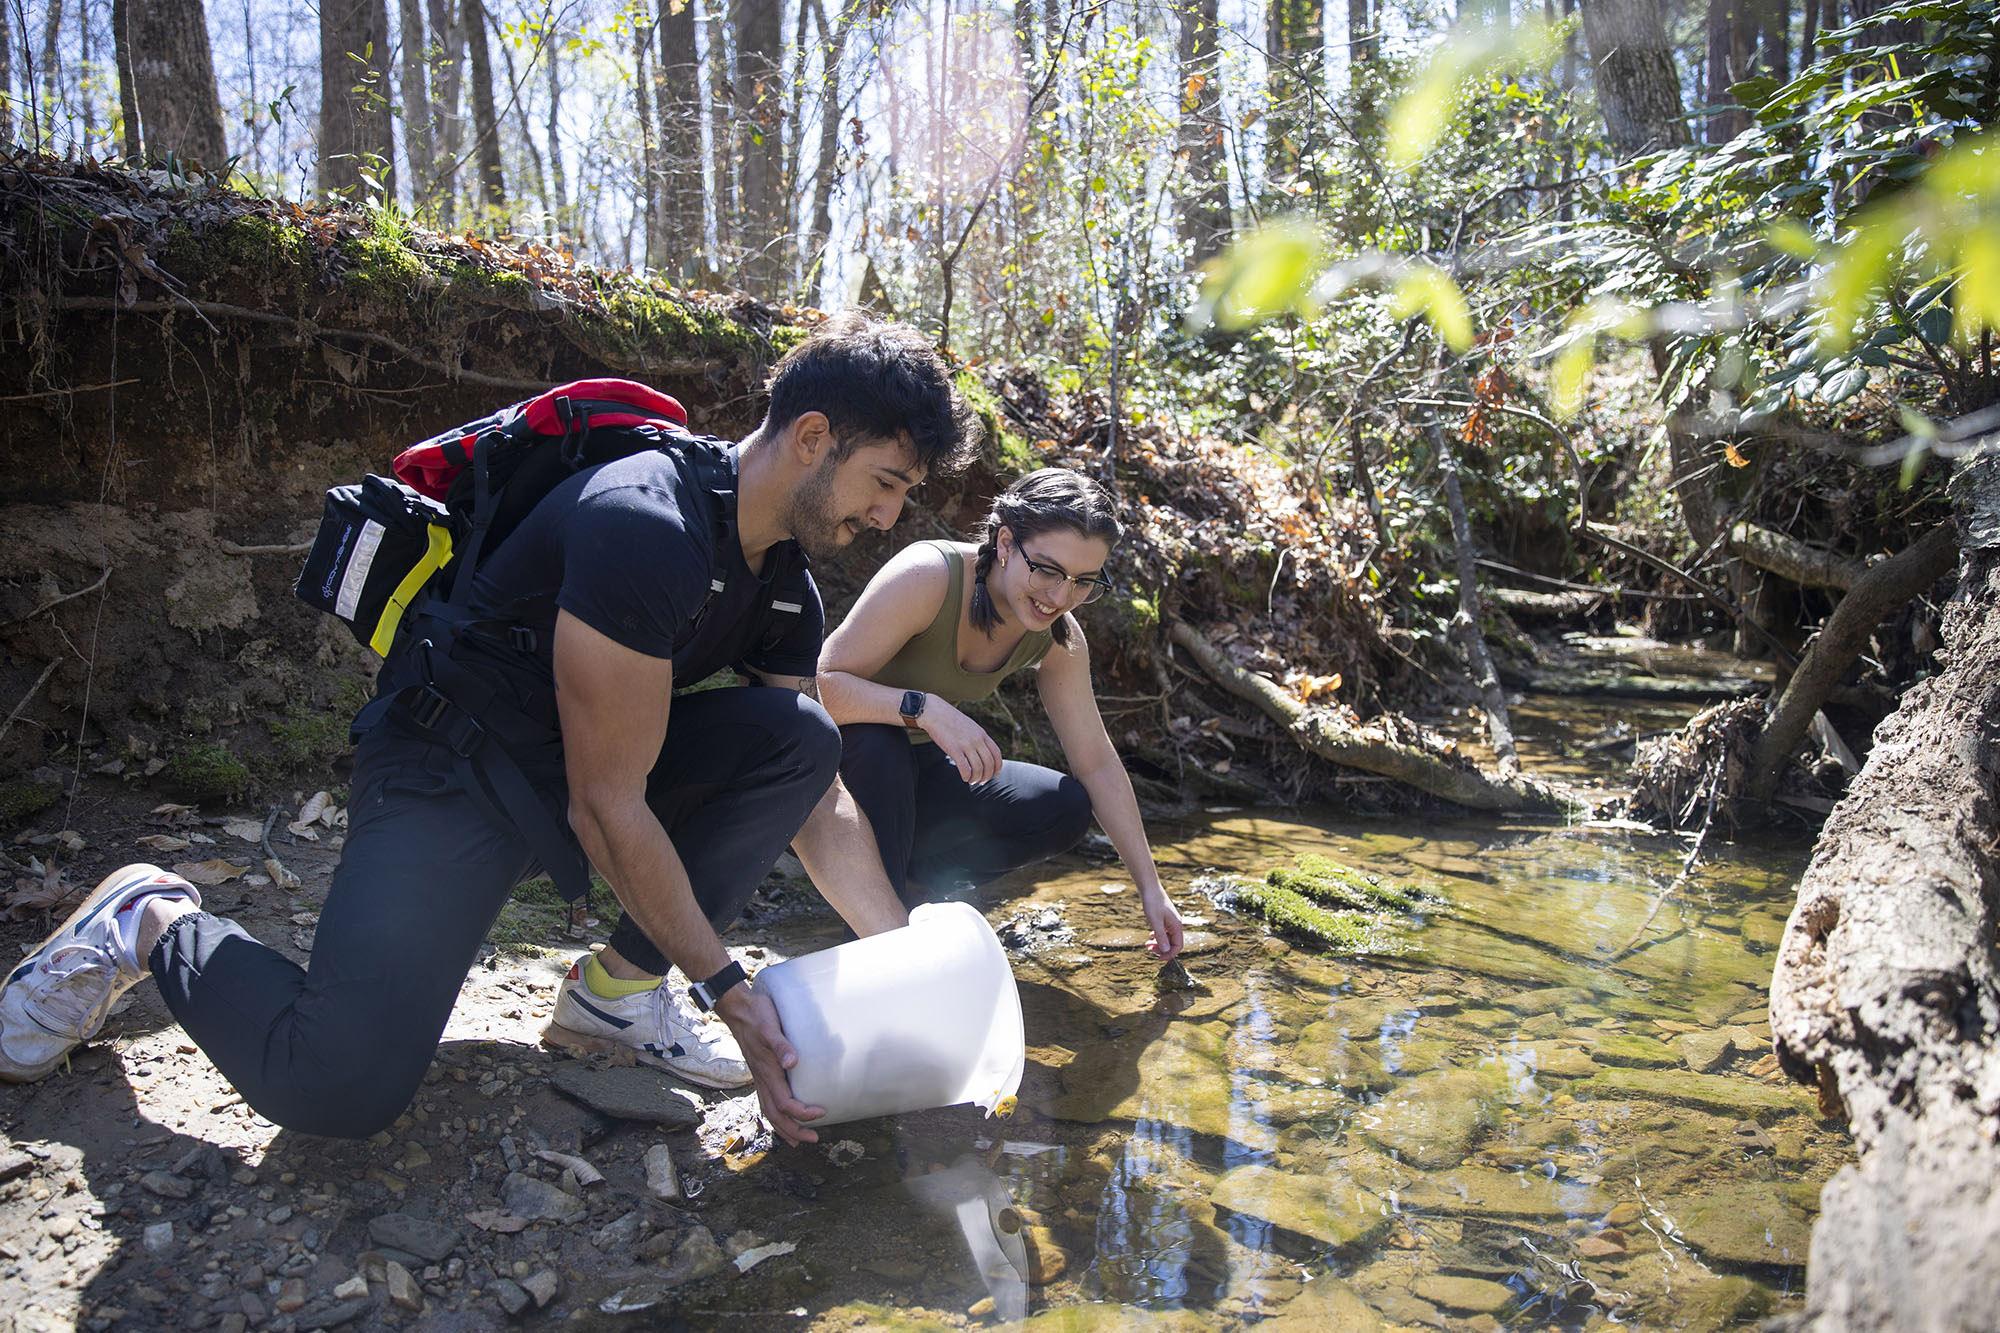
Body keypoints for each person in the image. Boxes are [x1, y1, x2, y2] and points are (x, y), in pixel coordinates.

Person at [0, 312, 971, 1148]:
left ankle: (615, 1000)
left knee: (798, 736)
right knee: (334, 1083)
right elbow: (606, 804)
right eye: (883, 481)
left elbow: (816, 793)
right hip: (450, 764)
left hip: (578, 764)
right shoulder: (648, 520)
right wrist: (730, 988)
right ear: (811, 437)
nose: (887, 515)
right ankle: (149, 917)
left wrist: (908, 964)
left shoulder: (782, 588)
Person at [792, 468, 1185, 959]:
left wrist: (1151, 888)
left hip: (920, 780)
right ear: (1005, 542)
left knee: (1062, 805)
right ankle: (874, 935)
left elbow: (1096, 762)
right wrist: (924, 708)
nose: (1059, 597)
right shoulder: (928, 576)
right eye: (1046, 569)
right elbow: (814, 691)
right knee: (879, 743)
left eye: (1083, 582)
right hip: (833, 779)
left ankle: (911, 894)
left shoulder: (1058, 636)